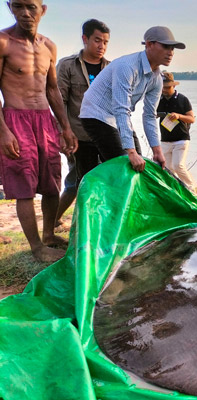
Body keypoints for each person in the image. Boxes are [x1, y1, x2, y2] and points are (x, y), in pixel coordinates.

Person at [0, 0, 78, 262]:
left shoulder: (49, 46)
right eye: (18, 6)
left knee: (51, 181)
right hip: (15, 119)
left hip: (45, 119)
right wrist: (4, 132)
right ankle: (36, 248)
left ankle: (49, 235)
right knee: (23, 184)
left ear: (42, 10)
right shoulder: (3, 41)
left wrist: (65, 127)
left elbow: (53, 89)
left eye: (31, 6)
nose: (25, 12)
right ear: (10, 7)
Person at [79, 26, 186, 172]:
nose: (171, 52)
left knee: (140, 166)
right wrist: (130, 152)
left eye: (173, 48)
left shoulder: (157, 79)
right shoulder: (127, 67)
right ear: (149, 44)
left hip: (116, 119)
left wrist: (157, 151)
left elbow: (149, 115)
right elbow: (120, 108)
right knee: (127, 166)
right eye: (166, 46)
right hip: (96, 114)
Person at [55, 18, 110, 227]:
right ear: (85, 39)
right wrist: (63, 133)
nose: (101, 46)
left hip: (104, 136)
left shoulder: (110, 68)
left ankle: (97, 224)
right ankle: (55, 220)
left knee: (104, 181)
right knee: (76, 182)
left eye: (105, 42)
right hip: (77, 136)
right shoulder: (68, 66)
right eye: (97, 40)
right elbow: (59, 102)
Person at [157, 71, 196, 189]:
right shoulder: (158, 99)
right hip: (165, 140)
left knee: (178, 165)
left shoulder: (182, 99)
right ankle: (176, 189)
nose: (165, 90)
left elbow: (191, 119)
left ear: (174, 86)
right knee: (168, 169)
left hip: (181, 139)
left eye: (168, 87)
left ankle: (191, 188)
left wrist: (179, 116)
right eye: (163, 87)